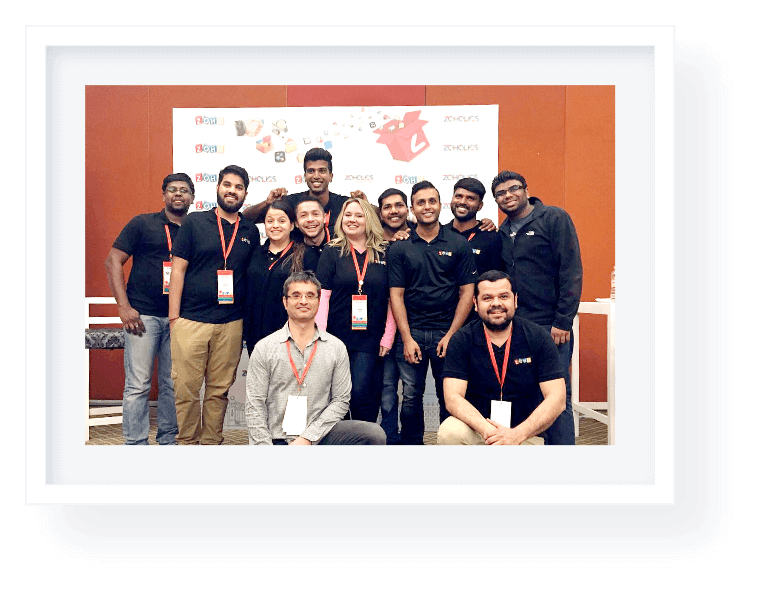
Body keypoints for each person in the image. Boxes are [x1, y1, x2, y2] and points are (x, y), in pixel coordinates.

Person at [168, 164, 259, 445]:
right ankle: (186, 442)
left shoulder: (250, 230)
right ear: (217, 187)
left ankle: (211, 444)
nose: (232, 191)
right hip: (190, 320)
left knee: (219, 391)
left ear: (245, 194)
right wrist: (174, 318)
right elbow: (178, 270)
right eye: (227, 185)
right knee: (186, 389)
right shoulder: (194, 222)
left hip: (231, 323)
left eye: (239, 187)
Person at [492, 170, 582, 445]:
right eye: (500, 193)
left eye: (513, 189)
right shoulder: (502, 232)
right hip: (517, 326)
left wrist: (563, 320)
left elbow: (571, 271)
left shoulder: (554, 218)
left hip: (551, 326)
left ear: (526, 190)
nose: (508, 196)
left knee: (557, 396)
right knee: (526, 394)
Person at [245, 271, 386, 445]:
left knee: (373, 434)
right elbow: (254, 405)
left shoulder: (336, 348)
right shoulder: (265, 348)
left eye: (310, 295)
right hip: (276, 438)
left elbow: (341, 401)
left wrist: (307, 438)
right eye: (296, 295)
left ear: (319, 302)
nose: (303, 301)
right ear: (285, 302)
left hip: (320, 437)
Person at [105, 173, 194, 445]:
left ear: (192, 197)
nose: (178, 194)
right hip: (142, 316)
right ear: (164, 195)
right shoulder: (142, 223)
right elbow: (113, 261)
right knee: (138, 385)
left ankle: (168, 440)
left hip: (179, 318)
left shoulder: (195, 228)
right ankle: (135, 444)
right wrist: (124, 307)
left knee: (172, 384)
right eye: (172, 189)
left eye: (184, 190)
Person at [387, 180, 477, 444]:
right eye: (420, 202)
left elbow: (467, 292)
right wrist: (406, 338)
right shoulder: (400, 246)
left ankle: (448, 448)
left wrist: (452, 335)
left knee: (448, 396)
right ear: (412, 209)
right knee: (411, 397)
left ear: (440, 205)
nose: (427, 206)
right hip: (411, 333)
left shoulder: (459, 243)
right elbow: (396, 295)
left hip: (447, 333)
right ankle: (412, 449)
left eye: (432, 201)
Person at [438, 271, 566, 445]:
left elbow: (557, 398)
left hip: (524, 434)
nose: (496, 303)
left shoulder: (538, 337)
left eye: (504, 296)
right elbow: (453, 398)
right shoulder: (462, 340)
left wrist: (516, 435)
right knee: (449, 432)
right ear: (475, 303)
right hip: (478, 431)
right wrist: (489, 431)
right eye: (487, 298)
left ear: (515, 300)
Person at [315, 197, 396, 422]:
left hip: (371, 338)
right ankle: (340, 438)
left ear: (369, 220)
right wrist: (320, 335)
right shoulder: (332, 251)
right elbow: (323, 296)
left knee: (361, 394)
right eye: (348, 215)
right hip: (336, 337)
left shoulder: (385, 252)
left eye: (359, 215)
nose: (352, 220)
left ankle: (363, 437)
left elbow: (393, 299)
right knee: (337, 396)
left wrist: (388, 336)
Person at [242, 147, 352, 245]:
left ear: (331, 176)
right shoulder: (291, 203)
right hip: (298, 261)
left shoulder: (345, 205)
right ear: (305, 176)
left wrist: (362, 203)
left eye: (322, 171)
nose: (316, 176)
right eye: (311, 171)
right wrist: (267, 203)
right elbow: (245, 218)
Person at [243, 199, 308, 356]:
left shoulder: (304, 256)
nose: (275, 225)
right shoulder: (255, 253)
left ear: (292, 225)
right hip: (255, 336)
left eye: (281, 221)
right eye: (270, 221)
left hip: (289, 337)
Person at [446, 177, 503, 280]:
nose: (463, 202)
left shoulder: (492, 237)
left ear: (480, 206)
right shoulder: (439, 233)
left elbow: (498, 279)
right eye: (458, 196)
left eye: (470, 198)